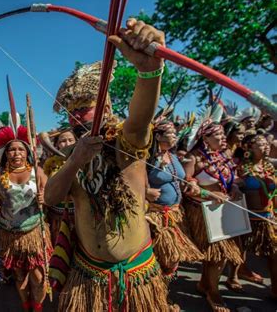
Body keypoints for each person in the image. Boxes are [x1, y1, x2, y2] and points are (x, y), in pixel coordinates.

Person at [44, 18, 171, 311]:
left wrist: (149, 72)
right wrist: (75, 160)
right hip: (87, 271)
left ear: (105, 107)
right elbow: (51, 197)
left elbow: (140, 121)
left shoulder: (126, 143)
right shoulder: (69, 159)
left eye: (86, 108)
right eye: (72, 112)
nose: (78, 117)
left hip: (136, 271)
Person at [182, 104, 243, 312]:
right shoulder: (194, 158)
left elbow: (231, 179)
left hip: (224, 209)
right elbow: (187, 186)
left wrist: (233, 187)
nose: (223, 138)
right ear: (205, 138)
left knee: (217, 254)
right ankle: (213, 291)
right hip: (203, 211)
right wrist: (210, 194)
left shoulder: (223, 156)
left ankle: (205, 284)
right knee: (216, 254)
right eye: (217, 136)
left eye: (223, 135)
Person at [0, 124, 52, 312]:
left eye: (20, 149)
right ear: (6, 153)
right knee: (19, 275)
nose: (16, 153)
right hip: (9, 234)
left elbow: (52, 195)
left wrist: (45, 197)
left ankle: (38, 306)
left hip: (33, 231)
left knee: (37, 276)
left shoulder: (38, 172)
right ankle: (26, 305)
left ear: (27, 152)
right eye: (12, 149)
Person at [146, 117, 203, 280]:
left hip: (176, 214)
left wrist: (192, 182)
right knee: (159, 257)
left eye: (174, 133)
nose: (175, 136)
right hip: (157, 217)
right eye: (171, 133)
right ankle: (159, 295)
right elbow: (130, 181)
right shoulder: (146, 158)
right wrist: (146, 192)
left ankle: (165, 291)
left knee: (173, 258)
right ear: (157, 136)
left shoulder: (173, 156)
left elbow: (185, 176)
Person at [235, 132, 276, 298]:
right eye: (261, 144)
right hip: (247, 218)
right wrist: (235, 186)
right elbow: (233, 184)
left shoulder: (269, 167)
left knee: (273, 254)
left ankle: (275, 289)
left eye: (266, 144)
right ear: (249, 148)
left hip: (268, 218)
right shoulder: (241, 168)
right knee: (239, 251)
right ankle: (233, 276)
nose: (266, 146)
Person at [43, 128, 77, 244]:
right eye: (63, 141)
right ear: (57, 145)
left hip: (81, 216)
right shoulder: (51, 164)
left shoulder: (85, 160)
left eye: (70, 140)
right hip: (58, 218)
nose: (67, 144)